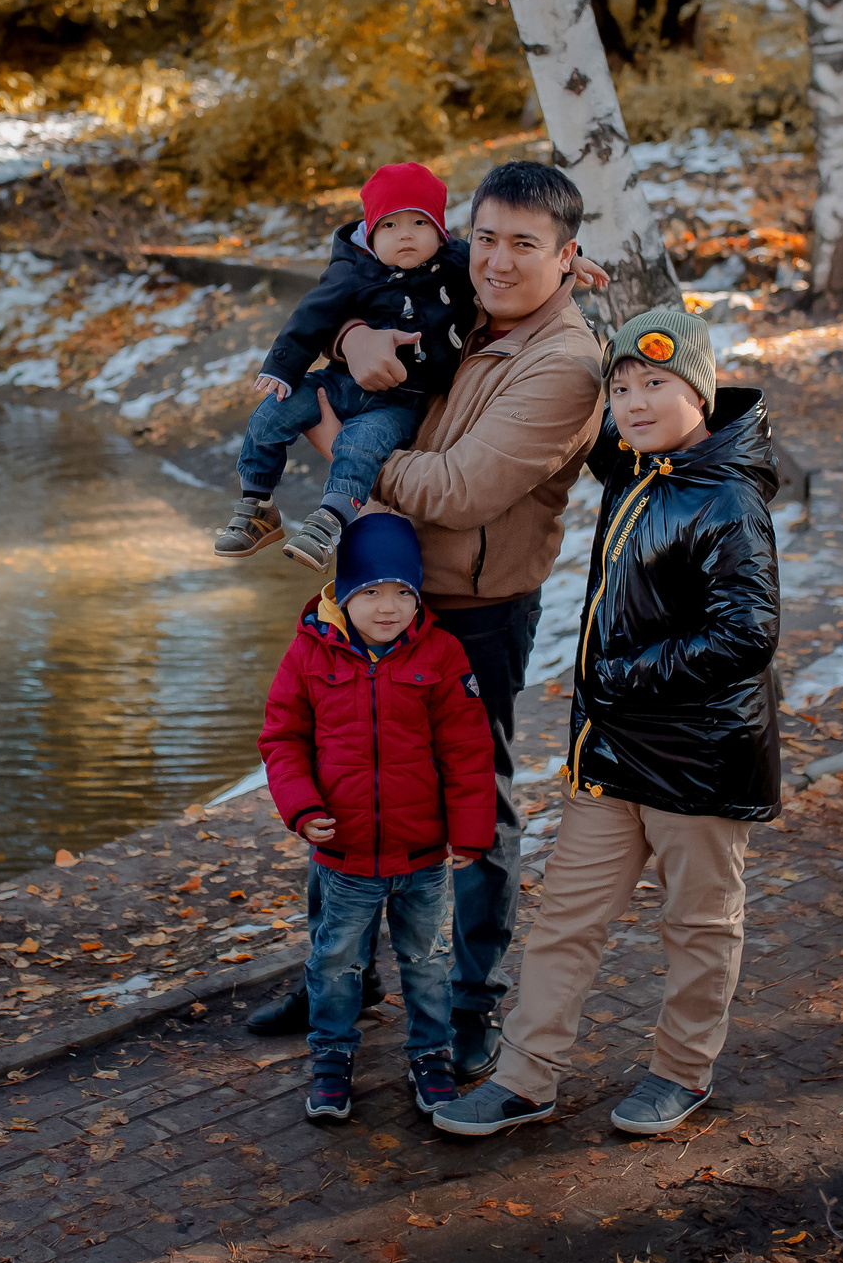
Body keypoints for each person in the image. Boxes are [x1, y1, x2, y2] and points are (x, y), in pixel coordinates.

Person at [243, 160, 610, 1084]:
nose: (494, 259)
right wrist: (362, 329)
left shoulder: (565, 364)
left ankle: (471, 1003)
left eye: (525, 245)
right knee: (344, 771)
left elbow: (453, 490)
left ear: (567, 257)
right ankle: (343, 978)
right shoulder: (469, 296)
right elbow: (368, 283)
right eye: (484, 236)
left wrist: (336, 449)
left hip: (473, 609)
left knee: (472, 802)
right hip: (376, 585)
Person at [432, 309, 782, 1138]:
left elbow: (747, 633)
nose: (632, 400)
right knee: (565, 921)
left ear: (697, 388)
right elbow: (568, 396)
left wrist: (624, 675)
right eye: (620, 387)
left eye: (654, 384)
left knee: (698, 924)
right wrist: (559, 300)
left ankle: (682, 1070)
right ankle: (524, 1077)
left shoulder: (728, 498)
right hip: (611, 754)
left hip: (697, 760)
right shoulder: (638, 470)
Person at [256, 514, 495, 1121]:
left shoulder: (440, 653)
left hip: (422, 857)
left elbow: (467, 750)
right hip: (345, 856)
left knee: (427, 961)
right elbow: (282, 740)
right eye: (371, 592)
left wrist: (469, 832)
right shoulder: (309, 652)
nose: (388, 608)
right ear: (344, 591)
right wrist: (302, 809)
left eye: (403, 593)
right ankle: (332, 1059)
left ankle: (430, 1057)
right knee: (336, 962)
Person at [215, 162, 486, 572]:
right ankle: (258, 504)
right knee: (272, 413)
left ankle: (329, 522)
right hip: (338, 383)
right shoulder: (355, 268)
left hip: (400, 400)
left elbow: (507, 261)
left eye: (419, 223)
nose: (406, 234)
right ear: (371, 232)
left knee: (360, 445)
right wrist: (283, 367)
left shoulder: (457, 263)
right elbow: (313, 314)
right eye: (390, 226)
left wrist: (568, 263)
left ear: (441, 231)